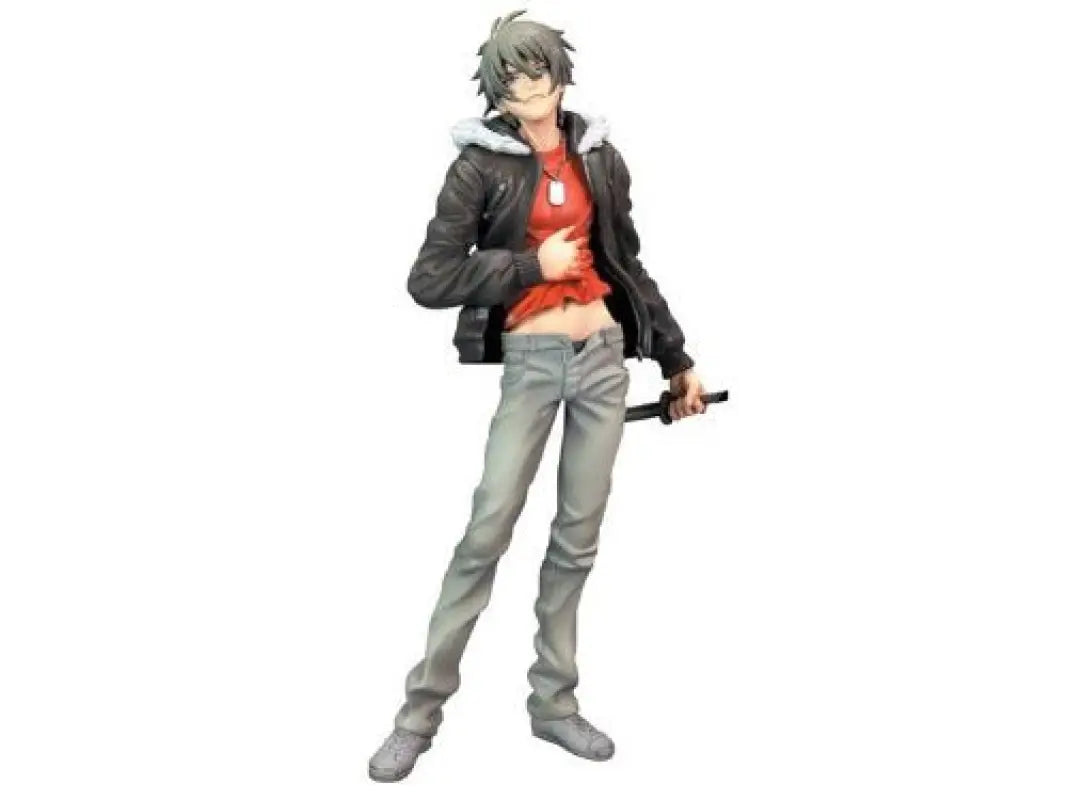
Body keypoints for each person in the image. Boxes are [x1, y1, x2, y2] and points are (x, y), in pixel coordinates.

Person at [369, 9, 708, 782]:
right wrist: (530, 268)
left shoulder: (600, 157)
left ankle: (553, 705)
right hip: (531, 359)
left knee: (575, 541)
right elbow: (429, 279)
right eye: (507, 77)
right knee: (486, 531)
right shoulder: (478, 166)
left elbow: (627, 264)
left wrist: (675, 358)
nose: (522, 87)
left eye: (533, 71)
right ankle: (418, 715)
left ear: (558, 74)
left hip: (603, 361)